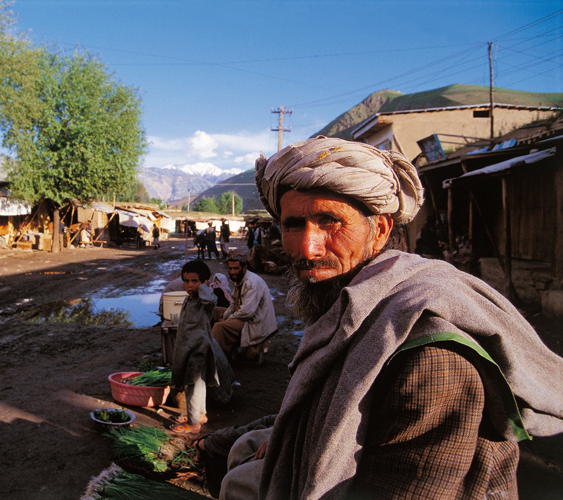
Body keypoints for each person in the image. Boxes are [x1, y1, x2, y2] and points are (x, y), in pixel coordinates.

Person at [208, 136, 563, 499]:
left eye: (329, 221)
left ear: (379, 230)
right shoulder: (350, 308)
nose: (307, 249)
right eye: (293, 225)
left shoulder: (432, 362)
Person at [169, 260, 219, 434]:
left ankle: (193, 423)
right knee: (199, 384)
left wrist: (204, 287)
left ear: (204, 282)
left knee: (192, 385)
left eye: (194, 281)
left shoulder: (204, 301)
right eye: (186, 281)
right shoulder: (187, 300)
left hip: (198, 350)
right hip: (187, 349)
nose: (189, 285)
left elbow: (211, 300)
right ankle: (200, 415)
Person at [212, 253, 277, 361]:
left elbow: (247, 313)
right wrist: (226, 316)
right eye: (230, 268)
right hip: (244, 316)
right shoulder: (240, 279)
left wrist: (226, 320)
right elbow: (234, 303)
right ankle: (207, 346)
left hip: (254, 321)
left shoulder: (251, 283)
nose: (232, 272)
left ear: (244, 268)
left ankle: (215, 360)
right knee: (214, 311)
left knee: (219, 327)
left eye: (236, 268)